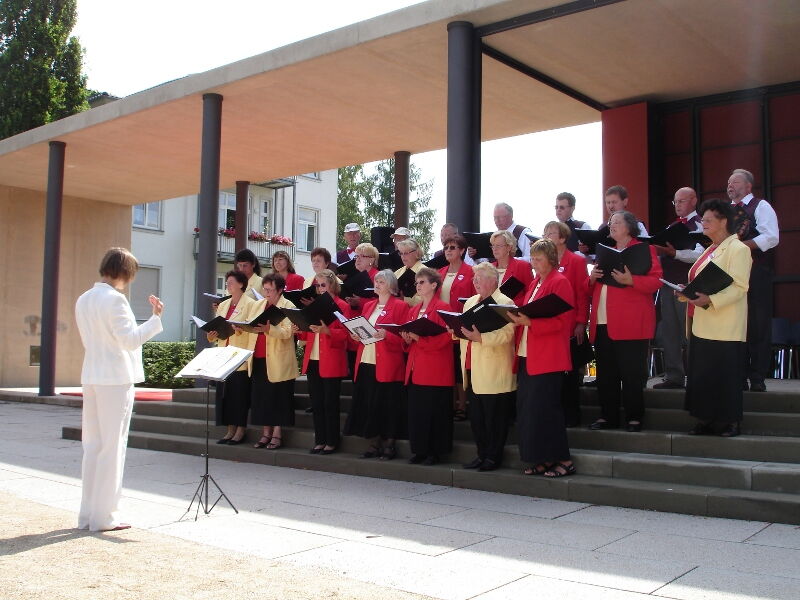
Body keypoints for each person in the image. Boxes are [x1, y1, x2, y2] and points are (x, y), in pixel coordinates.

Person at [75, 247, 164, 532]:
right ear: (125, 273)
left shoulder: (84, 298)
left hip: (92, 375)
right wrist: (155, 319)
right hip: (114, 378)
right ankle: (105, 517)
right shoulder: (115, 300)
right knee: (112, 449)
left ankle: (88, 515)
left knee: (93, 446)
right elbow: (128, 340)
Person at [682, 199, 752, 437]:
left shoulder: (738, 249)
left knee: (725, 373)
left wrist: (711, 300)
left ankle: (730, 421)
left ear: (724, 222)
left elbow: (740, 287)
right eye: (703, 220)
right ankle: (705, 419)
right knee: (703, 373)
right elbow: (700, 282)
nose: (704, 224)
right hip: (703, 322)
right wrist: (686, 290)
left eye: (709, 220)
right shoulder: (710, 250)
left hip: (726, 323)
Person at [588, 211, 662, 432]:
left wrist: (631, 280)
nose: (612, 225)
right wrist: (591, 278)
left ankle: (634, 416)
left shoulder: (644, 249)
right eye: (611, 223)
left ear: (630, 226)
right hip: (602, 320)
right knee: (606, 374)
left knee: (631, 373)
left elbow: (657, 281)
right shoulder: (604, 251)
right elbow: (590, 288)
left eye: (617, 222)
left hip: (631, 321)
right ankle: (607, 415)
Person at [507, 239, 576, 477]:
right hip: (528, 353)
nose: (534, 263)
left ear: (551, 259)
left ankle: (563, 460)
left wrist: (530, 322)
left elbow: (563, 321)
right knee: (530, 410)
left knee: (547, 409)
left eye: (538, 259)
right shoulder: (535, 283)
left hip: (548, 357)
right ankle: (543, 458)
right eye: (533, 259)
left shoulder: (560, 282)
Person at [456, 262, 516, 472]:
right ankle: (481, 454)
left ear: (492, 280)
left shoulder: (504, 301)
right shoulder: (471, 301)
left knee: (494, 418)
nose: (475, 282)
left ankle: (493, 457)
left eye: (479, 279)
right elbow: (465, 329)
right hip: (473, 365)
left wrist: (481, 337)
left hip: (495, 369)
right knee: (478, 418)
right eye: (474, 279)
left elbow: (508, 334)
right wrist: (455, 330)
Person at [344, 269, 409, 460]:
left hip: (388, 362)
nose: (377, 284)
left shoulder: (400, 306)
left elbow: (404, 340)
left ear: (390, 285)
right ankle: (373, 442)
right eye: (376, 281)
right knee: (369, 403)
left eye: (381, 281)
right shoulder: (369, 305)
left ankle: (389, 444)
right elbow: (364, 334)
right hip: (366, 360)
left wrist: (387, 335)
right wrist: (356, 336)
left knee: (387, 404)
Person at [727, 168, 780, 392]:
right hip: (730, 273)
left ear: (748, 186)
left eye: (736, 182)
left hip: (755, 271)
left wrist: (738, 246)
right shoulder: (725, 211)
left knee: (757, 324)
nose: (730, 185)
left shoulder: (761, 206)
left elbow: (771, 236)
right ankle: (737, 375)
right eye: (728, 182)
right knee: (734, 324)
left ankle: (757, 376)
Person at [401, 267, 454, 465]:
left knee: (435, 411)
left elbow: (445, 339)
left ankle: (435, 451)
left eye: (422, 282)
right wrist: (406, 338)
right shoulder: (413, 310)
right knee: (418, 412)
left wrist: (419, 339)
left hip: (435, 368)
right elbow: (409, 340)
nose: (418, 285)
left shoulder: (443, 308)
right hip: (415, 367)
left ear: (434, 285)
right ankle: (420, 449)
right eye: (416, 282)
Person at [651, 187, 703, 389]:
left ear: (693, 200)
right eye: (675, 202)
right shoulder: (673, 226)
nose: (678, 205)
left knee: (690, 331)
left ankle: (696, 376)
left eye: (682, 201)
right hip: (667, 283)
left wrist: (675, 254)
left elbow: (700, 254)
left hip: (689, 284)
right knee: (670, 331)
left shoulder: (699, 223)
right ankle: (674, 375)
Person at [294, 269, 350, 454]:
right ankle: (320, 439)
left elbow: (348, 335)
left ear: (332, 284)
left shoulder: (342, 305)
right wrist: (299, 328)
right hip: (313, 358)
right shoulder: (315, 304)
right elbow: (309, 331)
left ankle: (332, 441)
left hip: (332, 358)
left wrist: (328, 332)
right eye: (317, 285)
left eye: (323, 285)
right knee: (317, 402)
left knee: (330, 402)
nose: (319, 289)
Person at [542, 221, 590, 427]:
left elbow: (582, 294)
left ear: (562, 238)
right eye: (545, 233)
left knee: (570, 374)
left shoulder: (576, 261)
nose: (547, 236)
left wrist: (581, 322)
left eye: (551, 233)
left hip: (569, 325)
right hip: (549, 328)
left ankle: (572, 416)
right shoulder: (546, 262)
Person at [246, 273, 298, 450]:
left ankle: (277, 434)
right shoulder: (258, 305)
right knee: (261, 397)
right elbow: (249, 324)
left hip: (279, 358)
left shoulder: (288, 305)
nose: (266, 293)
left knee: (279, 396)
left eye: (270, 290)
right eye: (265, 289)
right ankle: (265, 432)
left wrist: (270, 329)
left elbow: (288, 333)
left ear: (280, 290)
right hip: (258, 356)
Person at [208, 270, 256, 444]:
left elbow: (252, 330)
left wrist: (241, 328)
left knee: (239, 395)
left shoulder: (250, 304)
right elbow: (218, 330)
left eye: (230, 282)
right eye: (227, 282)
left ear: (241, 284)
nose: (227, 285)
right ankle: (229, 429)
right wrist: (212, 334)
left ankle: (240, 429)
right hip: (224, 353)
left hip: (240, 354)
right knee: (225, 395)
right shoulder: (223, 305)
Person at [437, 233, 475, 422]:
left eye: (453, 247)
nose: (449, 251)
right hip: (442, 325)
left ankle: (462, 405)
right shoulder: (440, 272)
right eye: (446, 247)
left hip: (461, 324)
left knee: (460, 367)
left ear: (462, 250)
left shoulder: (471, 271)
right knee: (447, 366)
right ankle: (450, 404)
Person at [490, 230, 533, 307]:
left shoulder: (522, 266)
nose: (495, 249)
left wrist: (512, 305)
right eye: (493, 245)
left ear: (509, 247)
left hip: (513, 313)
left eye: (498, 246)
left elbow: (530, 293)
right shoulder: (489, 267)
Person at [394, 238, 424, 305]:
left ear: (416, 253)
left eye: (406, 253)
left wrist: (404, 299)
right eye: (401, 253)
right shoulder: (398, 272)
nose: (403, 256)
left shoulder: (425, 272)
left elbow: (427, 298)